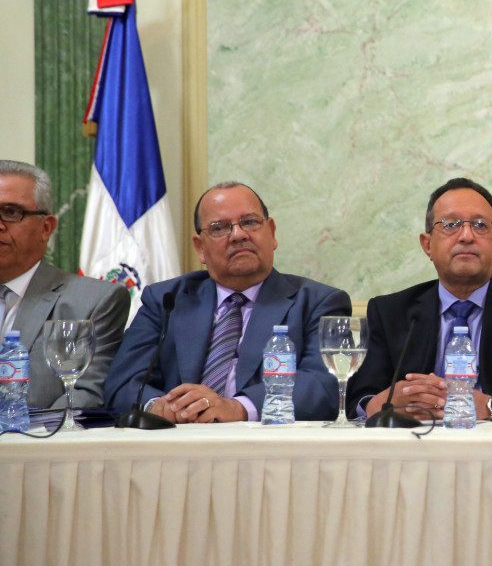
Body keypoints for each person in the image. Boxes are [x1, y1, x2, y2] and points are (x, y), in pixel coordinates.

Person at [104, 181, 350, 422]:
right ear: (200, 248)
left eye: (250, 222)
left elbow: (324, 385)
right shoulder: (166, 300)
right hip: (179, 439)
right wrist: (159, 406)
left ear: (272, 233)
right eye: (219, 228)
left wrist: (238, 408)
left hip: (268, 443)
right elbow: (123, 383)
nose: (238, 235)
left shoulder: (318, 303)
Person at [346, 178, 492, 422]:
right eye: (450, 225)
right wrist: (382, 403)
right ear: (427, 244)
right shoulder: (390, 312)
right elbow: (357, 401)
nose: (466, 236)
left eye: (480, 225)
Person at [0, 160, 130, 410]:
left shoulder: (94, 301)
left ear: (46, 227)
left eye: (12, 212)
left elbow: (85, 393)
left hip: (38, 434)